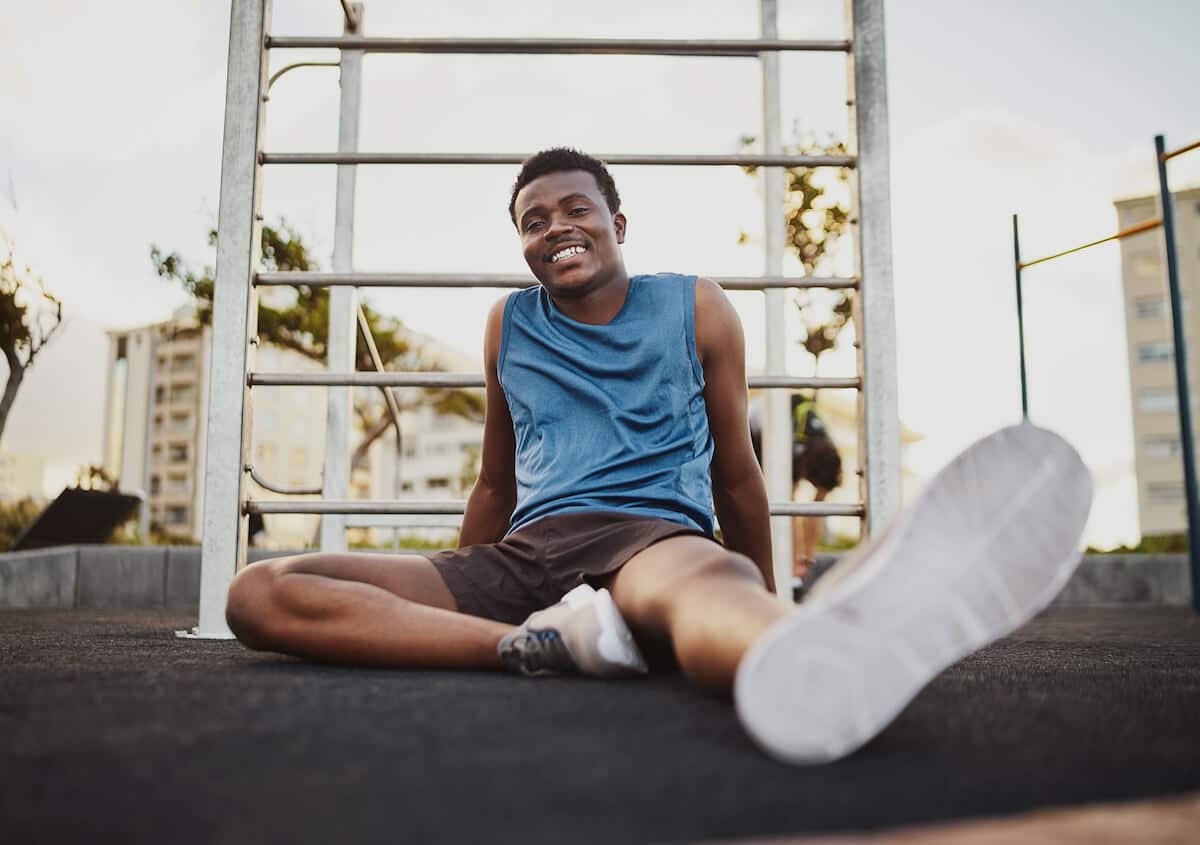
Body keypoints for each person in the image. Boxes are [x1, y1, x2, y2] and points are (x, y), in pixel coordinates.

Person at [224, 148, 1093, 764]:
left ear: (615, 222)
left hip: (654, 540)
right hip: (527, 557)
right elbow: (495, 478)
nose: (555, 228)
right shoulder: (507, 323)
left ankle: (800, 649)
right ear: (523, 245)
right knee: (260, 592)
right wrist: (470, 570)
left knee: (711, 596)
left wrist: (764, 590)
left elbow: (736, 473)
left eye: (574, 210)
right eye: (533, 221)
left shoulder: (697, 307)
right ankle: (537, 647)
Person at [789, 394, 842, 586]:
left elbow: (818, 508)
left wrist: (807, 560)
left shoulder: (830, 455)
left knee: (816, 505)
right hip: (758, 433)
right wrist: (794, 563)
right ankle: (793, 562)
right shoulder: (792, 449)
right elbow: (789, 510)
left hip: (804, 437)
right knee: (787, 503)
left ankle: (804, 563)